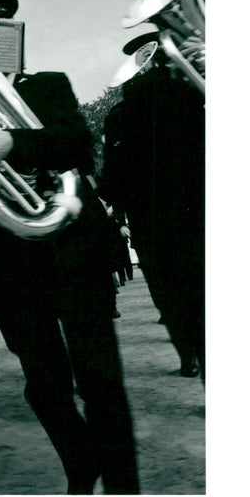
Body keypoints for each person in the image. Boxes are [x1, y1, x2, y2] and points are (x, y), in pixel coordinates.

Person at [0, 0, 141, 495]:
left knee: (100, 379)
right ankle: (81, 461)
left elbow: (77, 141)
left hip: (72, 246)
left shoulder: (48, 84)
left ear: (12, 37)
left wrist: (16, 141)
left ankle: (125, 490)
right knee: (43, 386)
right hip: (7, 257)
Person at [100, 33, 205, 379]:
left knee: (170, 297)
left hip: (152, 223)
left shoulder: (123, 113)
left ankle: (189, 357)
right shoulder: (197, 93)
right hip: (201, 210)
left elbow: (112, 181)